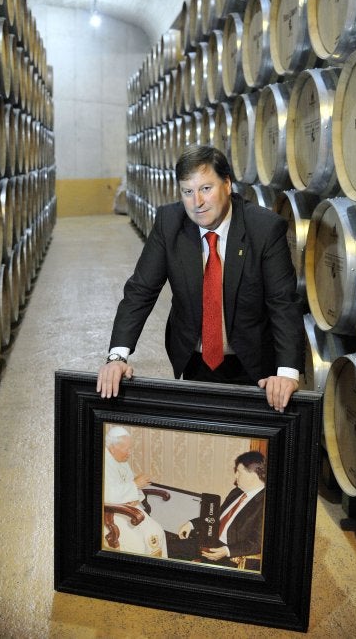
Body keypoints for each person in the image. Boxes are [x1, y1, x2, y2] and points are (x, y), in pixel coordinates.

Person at [97, 144, 305, 412]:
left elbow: (283, 303)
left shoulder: (264, 229)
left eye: (206, 188)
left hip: (254, 363)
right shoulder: (169, 222)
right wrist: (117, 356)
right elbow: (141, 290)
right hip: (195, 358)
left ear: (227, 184)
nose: (197, 202)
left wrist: (287, 373)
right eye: (188, 192)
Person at [168, 451, 266, 569]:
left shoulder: (264, 503)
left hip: (230, 554)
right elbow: (215, 517)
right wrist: (192, 524)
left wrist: (227, 550)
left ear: (253, 475)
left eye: (239, 472)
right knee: (168, 548)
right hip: (209, 541)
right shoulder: (236, 492)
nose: (235, 476)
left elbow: (257, 543)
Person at [103, 426, 167, 558]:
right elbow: (107, 495)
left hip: (130, 508)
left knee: (157, 531)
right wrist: (135, 484)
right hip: (110, 514)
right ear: (113, 448)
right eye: (127, 449)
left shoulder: (121, 461)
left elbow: (131, 485)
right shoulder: (101, 462)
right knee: (137, 545)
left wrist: (136, 496)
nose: (130, 452)